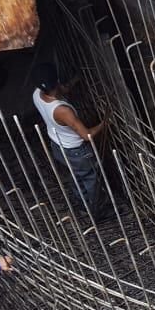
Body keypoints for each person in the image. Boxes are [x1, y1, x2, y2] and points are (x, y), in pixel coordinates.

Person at [32, 64, 106, 216]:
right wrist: (105, 123)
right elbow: (87, 135)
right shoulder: (63, 111)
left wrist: (72, 83)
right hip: (76, 151)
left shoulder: (37, 93)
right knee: (91, 180)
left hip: (58, 146)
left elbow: (59, 91)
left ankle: (83, 205)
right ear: (57, 82)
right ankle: (97, 212)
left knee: (76, 176)